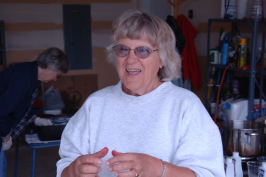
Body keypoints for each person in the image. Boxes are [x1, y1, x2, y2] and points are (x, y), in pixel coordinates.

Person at [56, 9, 225, 177]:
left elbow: (208, 174)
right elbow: (65, 168)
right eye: (123, 49)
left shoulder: (185, 106)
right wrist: (73, 171)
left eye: (143, 50)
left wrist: (158, 169)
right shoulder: (95, 104)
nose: (130, 59)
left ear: (163, 59)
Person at [0, 47, 69, 176]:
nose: (55, 79)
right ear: (49, 67)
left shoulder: (28, 72)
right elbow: (2, 111)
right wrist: (6, 136)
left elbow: (18, 105)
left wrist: (34, 119)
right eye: (58, 75)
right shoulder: (23, 80)